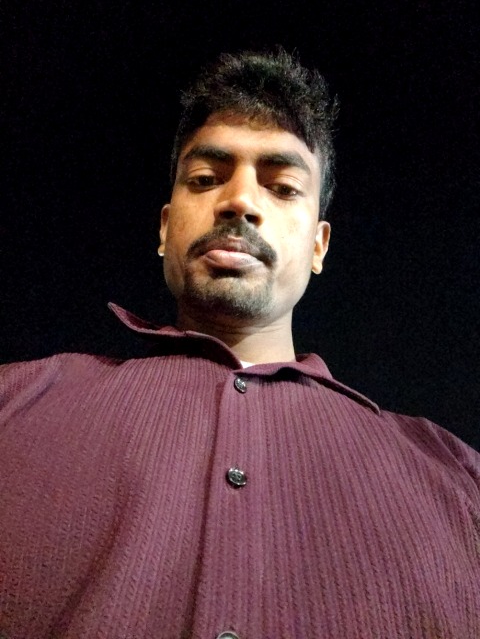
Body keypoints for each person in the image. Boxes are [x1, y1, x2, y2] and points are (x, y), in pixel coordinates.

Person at [0, 49, 479, 639]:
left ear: (320, 246)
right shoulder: (13, 400)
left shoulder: (459, 478)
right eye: (205, 179)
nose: (240, 202)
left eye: (282, 187)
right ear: (165, 227)